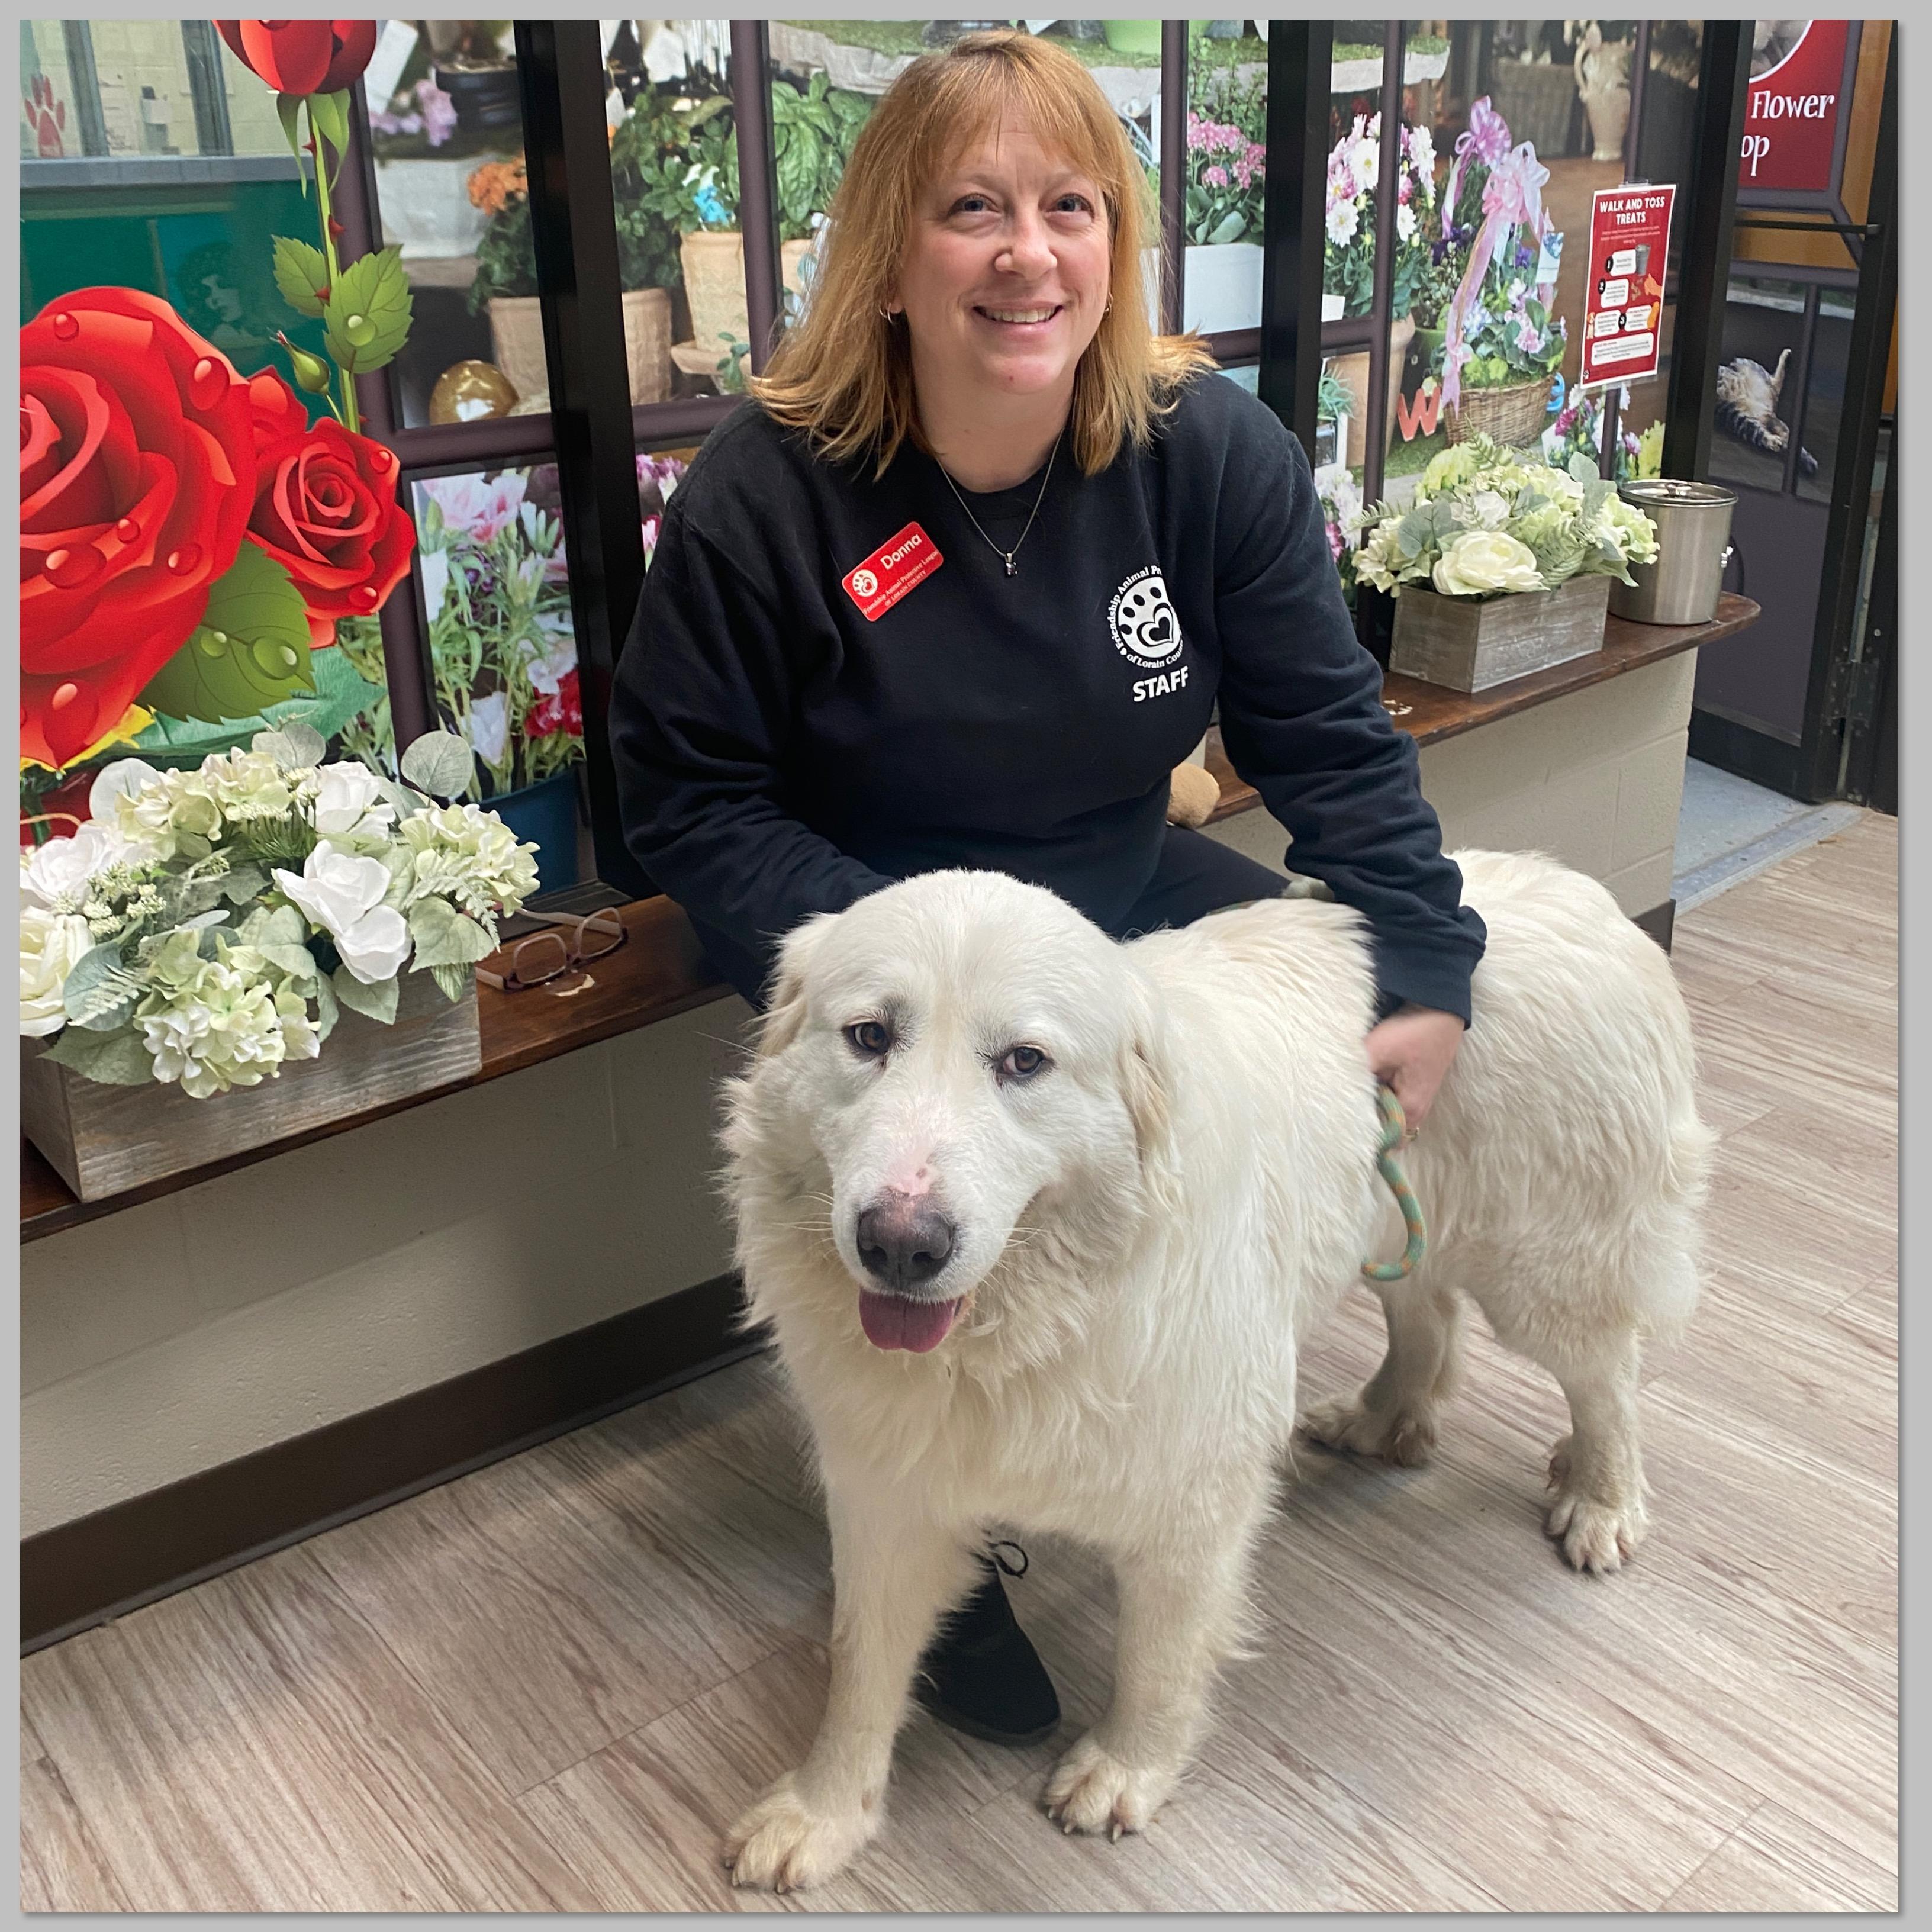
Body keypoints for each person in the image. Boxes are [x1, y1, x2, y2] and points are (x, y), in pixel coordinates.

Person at [608, 28, 1485, 1750]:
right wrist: (888, 974)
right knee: (929, 1218)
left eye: (1070, 205)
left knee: (1237, 1118)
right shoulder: (762, 494)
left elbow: (1326, 731)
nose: (1029, 252)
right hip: (859, 935)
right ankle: (957, 1520)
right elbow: (684, 801)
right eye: (973, 208)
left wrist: (1427, 957)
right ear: (889, 251)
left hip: (1110, 890)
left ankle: (1161, 1421)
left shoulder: (1202, 450)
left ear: (1116, 242)